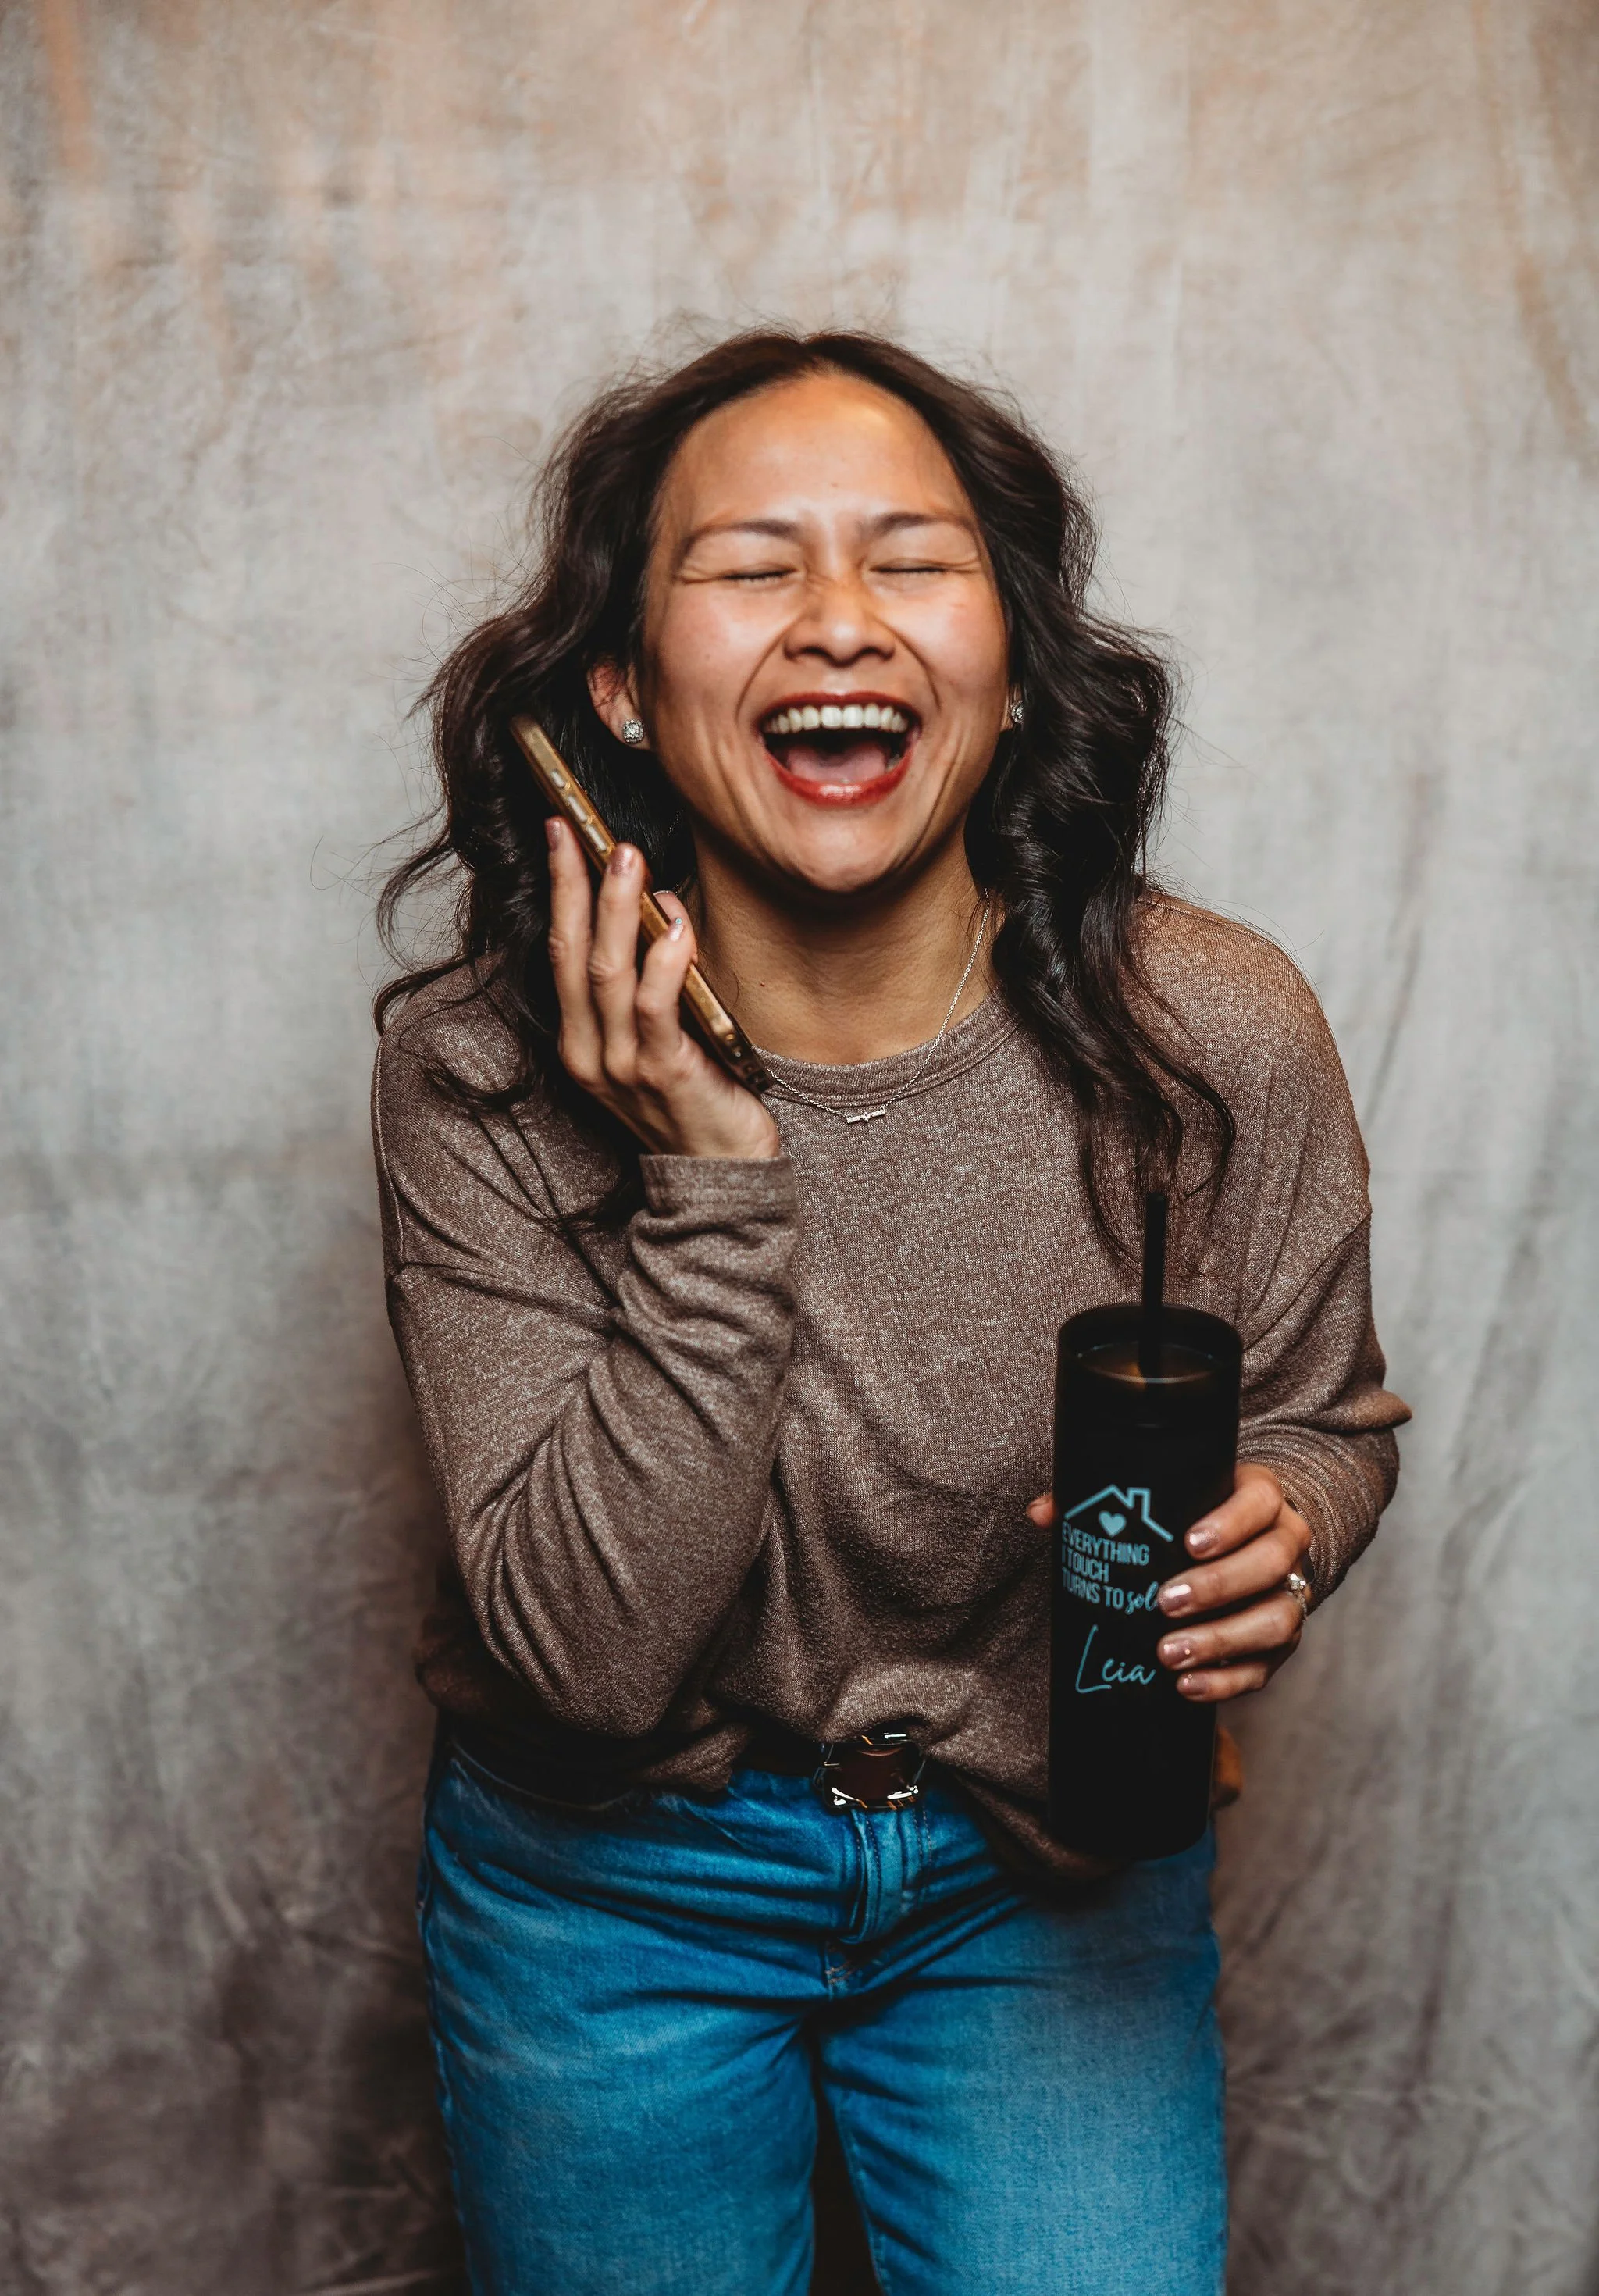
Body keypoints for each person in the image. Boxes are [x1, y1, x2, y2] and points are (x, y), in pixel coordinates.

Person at [372, 330, 1408, 2296]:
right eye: (750, 568)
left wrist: (1290, 1517)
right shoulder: (477, 1075)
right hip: (614, 1898)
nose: (836, 620)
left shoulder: (1212, 1032)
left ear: (1011, 670)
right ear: (616, 685)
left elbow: (1323, 1418)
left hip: (1043, 1882)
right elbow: (587, 1669)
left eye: (911, 562)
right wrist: (711, 1169)